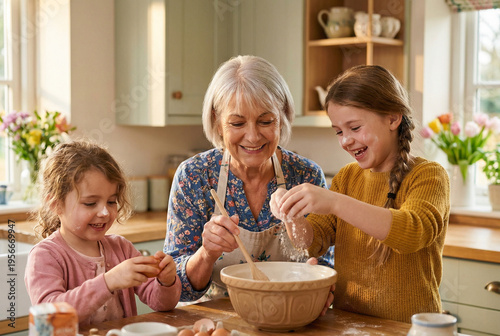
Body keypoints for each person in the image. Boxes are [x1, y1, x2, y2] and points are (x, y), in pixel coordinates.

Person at [270, 65, 450, 323]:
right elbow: (312, 242)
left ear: (392, 118)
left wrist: (334, 202)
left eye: (354, 128)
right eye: (339, 131)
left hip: (410, 329)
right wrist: (291, 214)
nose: (345, 141)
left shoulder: (429, 176)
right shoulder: (347, 178)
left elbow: (412, 232)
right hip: (348, 325)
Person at [164, 55, 334, 305]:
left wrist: (317, 279)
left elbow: (324, 267)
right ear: (217, 122)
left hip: (289, 318)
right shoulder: (194, 176)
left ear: (283, 116)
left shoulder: (305, 176)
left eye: (266, 121)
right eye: (237, 122)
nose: (253, 137)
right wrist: (207, 253)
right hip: (215, 323)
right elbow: (177, 288)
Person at [25, 140, 181, 327]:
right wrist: (108, 282)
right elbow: (49, 318)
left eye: (111, 201)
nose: (105, 212)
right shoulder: (45, 256)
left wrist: (167, 281)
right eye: (90, 203)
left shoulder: (121, 248)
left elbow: (161, 304)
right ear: (56, 204)